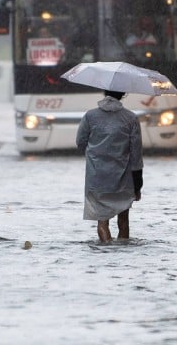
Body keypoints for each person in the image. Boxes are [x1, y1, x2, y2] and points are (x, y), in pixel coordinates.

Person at [76, 89, 144, 242]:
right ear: (123, 94)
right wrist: (138, 185)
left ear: (104, 92)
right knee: (124, 222)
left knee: (102, 221)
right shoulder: (131, 118)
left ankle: (107, 253)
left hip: (97, 178)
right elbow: (136, 155)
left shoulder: (90, 116)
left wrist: (95, 153)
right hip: (123, 179)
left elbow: (80, 143)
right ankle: (122, 259)